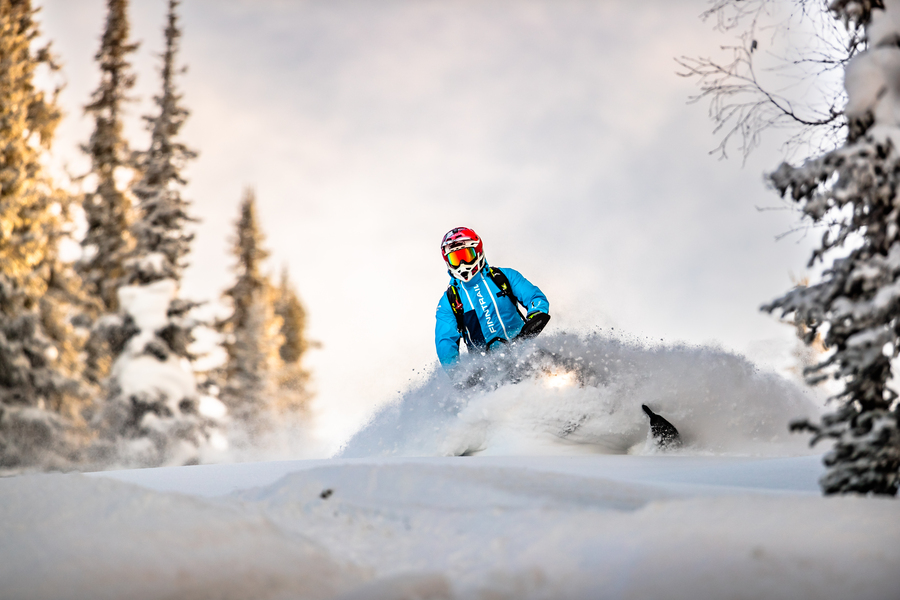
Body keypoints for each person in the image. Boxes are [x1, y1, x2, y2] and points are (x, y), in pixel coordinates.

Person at [435, 227, 550, 371]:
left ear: (477, 252)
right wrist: (459, 376)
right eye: (456, 259)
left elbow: (534, 297)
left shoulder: (504, 276)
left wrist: (536, 315)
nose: (462, 264)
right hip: (488, 375)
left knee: (566, 369)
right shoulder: (449, 301)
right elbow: (445, 342)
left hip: (526, 353)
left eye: (466, 255)